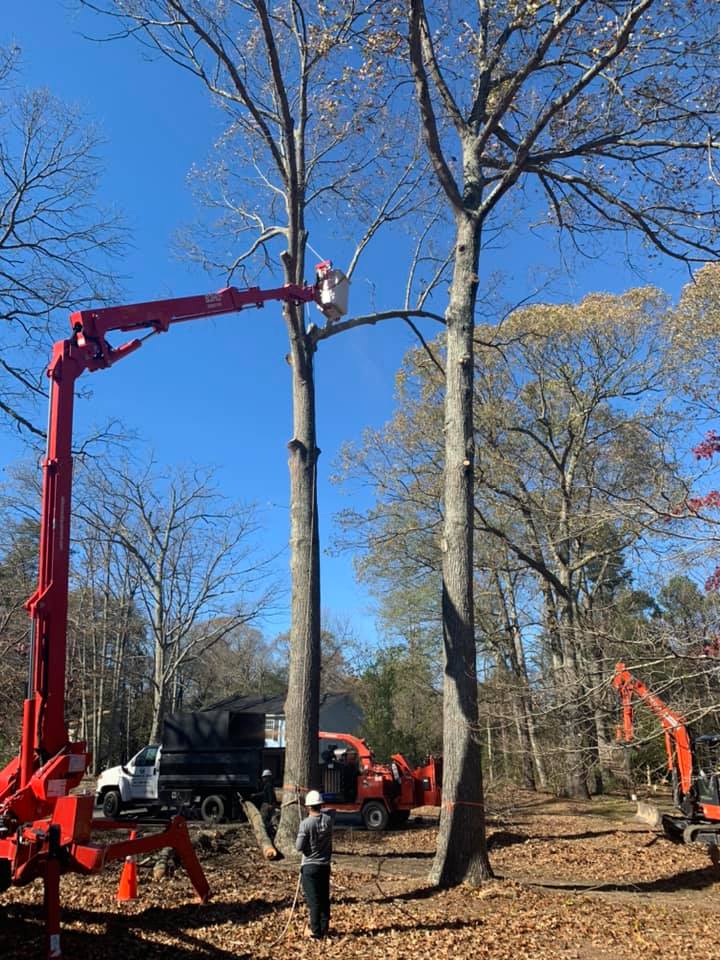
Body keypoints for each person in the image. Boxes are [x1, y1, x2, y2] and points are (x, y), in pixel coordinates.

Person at [295, 789, 335, 940]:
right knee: (324, 898)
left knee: (313, 901)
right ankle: (324, 928)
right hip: (324, 865)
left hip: (310, 867)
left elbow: (299, 847)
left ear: (308, 807)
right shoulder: (328, 821)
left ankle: (316, 932)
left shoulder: (305, 824)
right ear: (320, 805)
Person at [253, 769, 278, 834]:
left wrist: (270, 804)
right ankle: (270, 831)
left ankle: (267, 832)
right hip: (268, 804)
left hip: (267, 804)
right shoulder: (269, 785)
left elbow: (269, 795)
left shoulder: (268, 785)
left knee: (263, 819)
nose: (263, 779)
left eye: (264, 777)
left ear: (268, 777)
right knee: (269, 819)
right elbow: (265, 793)